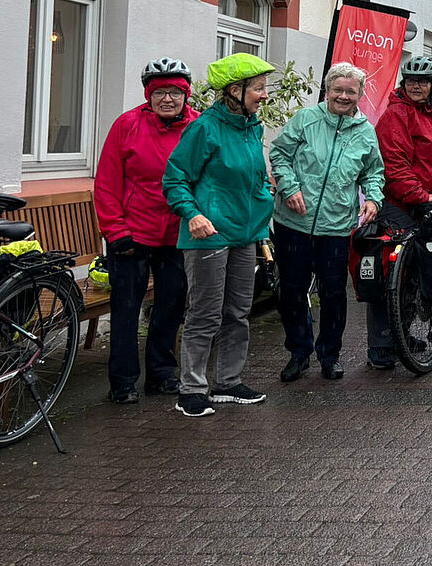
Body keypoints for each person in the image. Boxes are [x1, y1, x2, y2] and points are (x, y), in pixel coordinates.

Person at [162, 53, 276, 417]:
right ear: (234, 90)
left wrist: (265, 198)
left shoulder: (251, 127)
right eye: (258, 88)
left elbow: (255, 176)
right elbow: (175, 178)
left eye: (264, 88)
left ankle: (228, 382)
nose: (264, 95)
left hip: (246, 233)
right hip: (209, 235)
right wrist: (192, 214)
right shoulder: (205, 128)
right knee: (204, 314)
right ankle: (191, 389)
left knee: (238, 311)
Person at [268, 62, 385, 383]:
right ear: (327, 90)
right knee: (291, 289)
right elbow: (279, 154)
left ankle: (329, 355)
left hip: (336, 225)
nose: (344, 96)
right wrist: (289, 187)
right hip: (293, 221)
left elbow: (373, 171)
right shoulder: (306, 120)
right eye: (338, 90)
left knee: (333, 293)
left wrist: (374, 198)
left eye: (351, 91)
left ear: (360, 95)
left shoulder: (364, 131)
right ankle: (298, 352)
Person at [93, 57, 200, 404]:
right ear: (148, 96)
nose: (167, 99)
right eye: (159, 93)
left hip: (178, 234)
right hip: (132, 234)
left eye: (174, 92)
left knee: (170, 305)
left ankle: (162, 373)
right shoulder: (127, 125)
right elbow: (108, 182)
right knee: (126, 308)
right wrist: (115, 230)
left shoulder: (198, 126)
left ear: (185, 95)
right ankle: (122, 381)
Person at [369, 55, 432, 368]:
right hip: (401, 205)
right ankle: (381, 346)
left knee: (414, 276)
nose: (416, 86)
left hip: (430, 203)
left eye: (422, 81)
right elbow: (394, 165)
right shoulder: (397, 114)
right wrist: (420, 196)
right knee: (392, 272)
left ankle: (401, 336)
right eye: (410, 81)